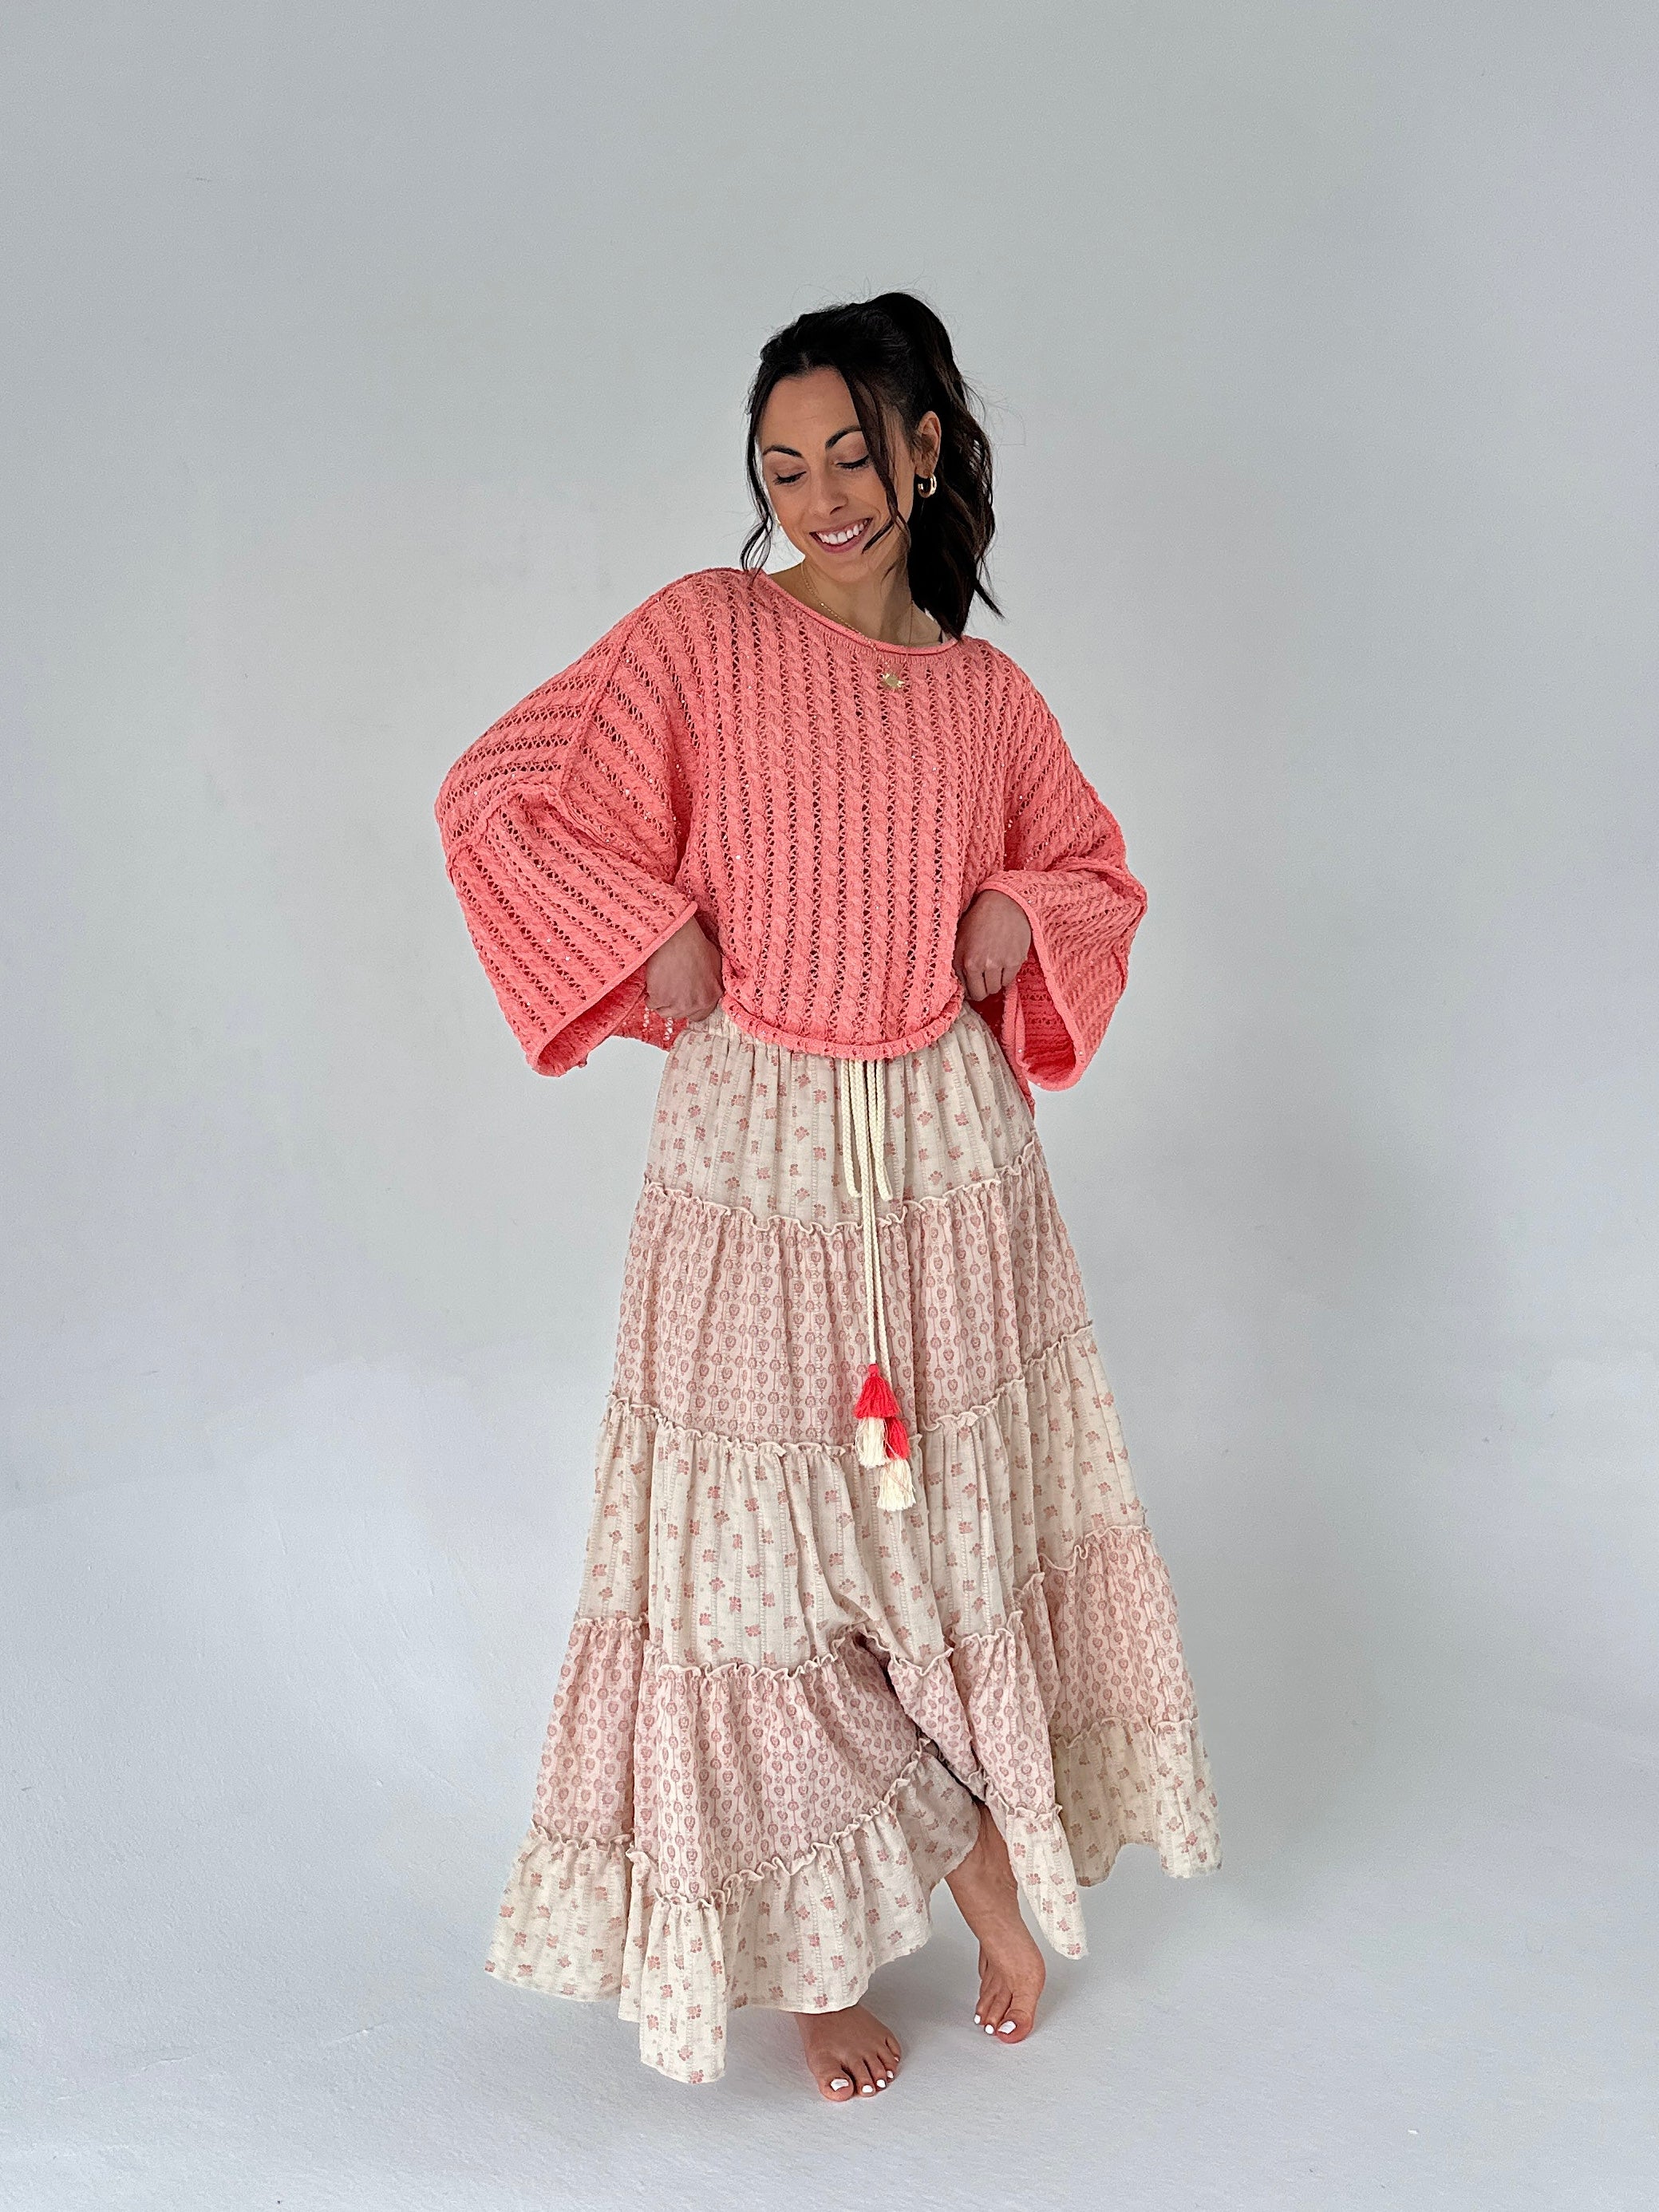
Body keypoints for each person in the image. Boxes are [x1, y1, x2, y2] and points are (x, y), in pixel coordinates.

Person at [435, 290, 1219, 2101]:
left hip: (943, 1168)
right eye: (780, 466)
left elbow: (1092, 869)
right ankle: (871, 1923)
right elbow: (495, 792)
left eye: (849, 456)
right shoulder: (702, 633)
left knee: (935, 1545)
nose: (817, 497)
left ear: (921, 448)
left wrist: (1026, 912)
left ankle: (981, 1853)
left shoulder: (982, 694)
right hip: (751, 1153)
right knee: (750, 1583)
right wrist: (650, 935)